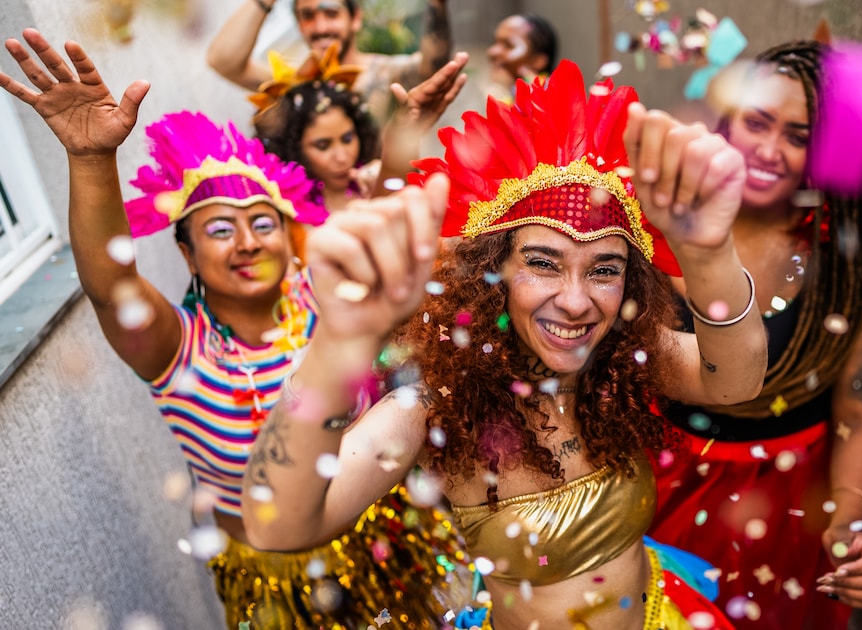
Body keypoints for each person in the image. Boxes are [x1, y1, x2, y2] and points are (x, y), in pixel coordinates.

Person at [240, 60, 769, 629]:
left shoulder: (618, 359)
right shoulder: (437, 407)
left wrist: (710, 253)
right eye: (543, 264)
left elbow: (736, 381)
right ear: (489, 273)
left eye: (604, 270)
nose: (574, 301)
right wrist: (338, 345)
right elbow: (277, 525)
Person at [0, 29, 466, 629]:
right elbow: (112, 290)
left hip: (386, 536)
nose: (247, 243)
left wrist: (405, 135)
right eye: (220, 230)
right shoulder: (176, 347)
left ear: (290, 239)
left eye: (264, 224)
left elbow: (385, 229)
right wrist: (90, 161)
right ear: (189, 256)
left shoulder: (322, 297)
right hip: (276, 584)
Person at [647, 40, 862, 629]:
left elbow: (860, 414)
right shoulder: (658, 223)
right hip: (653, 474)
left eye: (798, 135)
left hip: (783, 507)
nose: (768, 149)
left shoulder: (853, 274)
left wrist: (850, 523)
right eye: (757, 122)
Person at [250, 41, 468, 212]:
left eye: (347, 139)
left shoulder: (373, 180)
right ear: (295, 149)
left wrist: (402, 140)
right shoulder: (283, 206)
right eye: (323, 145)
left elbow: (405, 209)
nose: (342, 156)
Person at [207, 0, 452, 123]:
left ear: (355, 19)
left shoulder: (385, 74)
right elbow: (223, 61)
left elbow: (433, 67)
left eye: (331, 14)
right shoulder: (291, 82)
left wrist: (436, 4)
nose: (321, 27)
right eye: (308, 16)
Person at [485, 13, 557, 103]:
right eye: (495, 42)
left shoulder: (558, 100)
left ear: (538, 61)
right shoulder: (509, 97)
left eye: (508, 45)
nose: (492, 51)